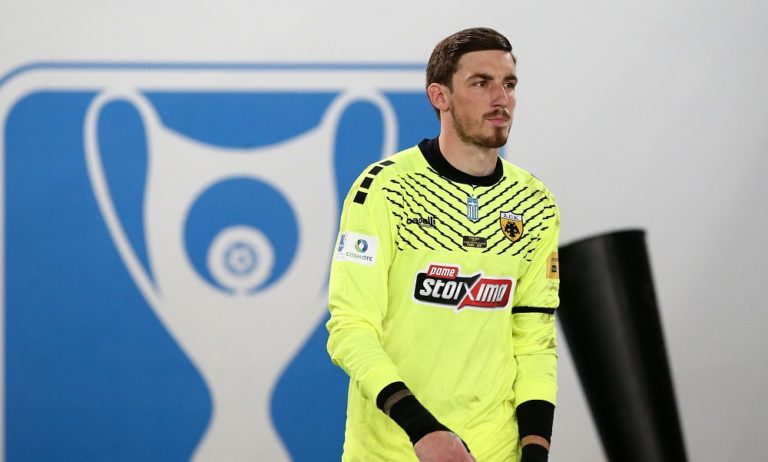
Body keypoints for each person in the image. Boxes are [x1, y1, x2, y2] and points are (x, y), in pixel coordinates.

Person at [327, 27, 560, 462]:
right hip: (395, 451)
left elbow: (534, 343)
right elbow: (350, 329)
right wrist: (423, 430)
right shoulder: (384, 189)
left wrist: (535, 451)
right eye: (481, 83)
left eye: (509, 84)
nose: (501, 99)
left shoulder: (535, 203)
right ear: (440, 96)